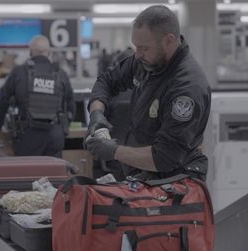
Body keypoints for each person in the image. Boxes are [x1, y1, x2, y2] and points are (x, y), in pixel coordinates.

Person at [85, 5, 211, 181]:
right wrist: (97, 113)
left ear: (168, 41)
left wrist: (114, 151)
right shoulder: (147, 62)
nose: (137, 55)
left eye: (144, 48)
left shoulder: (186, 88)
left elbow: (165, 157)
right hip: (141, 177)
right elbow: (107, 81)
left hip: (172, 185)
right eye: (136, 47)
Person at [0, 35, 75, 158]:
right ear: (49, 52)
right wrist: (64, 127)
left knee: (28, 174)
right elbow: (70, 104)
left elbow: (3, 100)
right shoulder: (60, 74)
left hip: (28, 134)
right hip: (55, 134)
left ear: (30, 51)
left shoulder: (19, 72)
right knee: (54, 174)